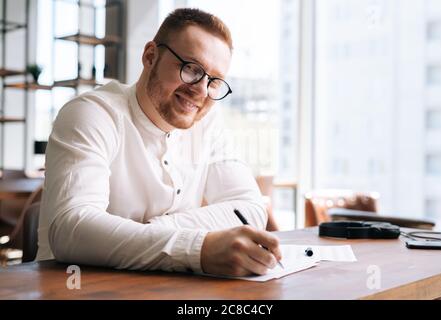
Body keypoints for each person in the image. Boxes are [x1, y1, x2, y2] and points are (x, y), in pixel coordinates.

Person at [37, 8, 282, 277]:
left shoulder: (208, 123)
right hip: (75, 286)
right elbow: (71, 229)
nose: (201, 91)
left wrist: (155, 231)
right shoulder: (92, 113)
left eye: (214, 81)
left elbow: (248, 209)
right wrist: (198, 248)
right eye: (191, 69)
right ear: (150, 56)